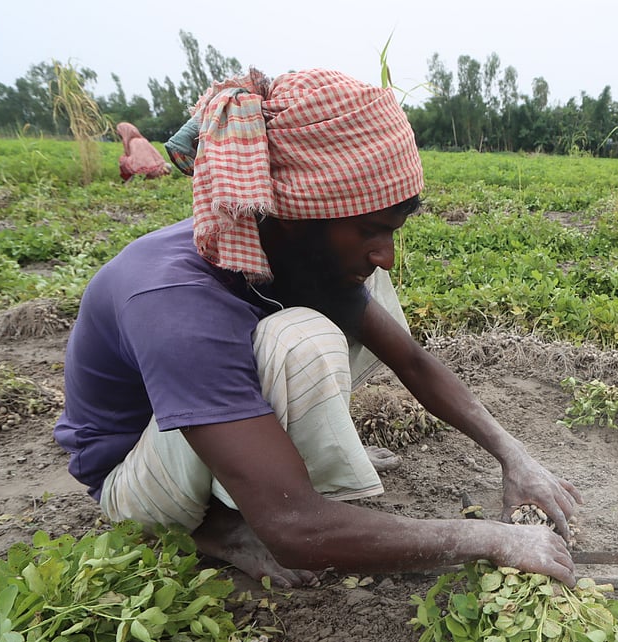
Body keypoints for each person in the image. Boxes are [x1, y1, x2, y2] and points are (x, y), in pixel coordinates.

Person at [55, 69, 580, 588]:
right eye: (371, 231)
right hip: (137, 483)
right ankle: (218, 528)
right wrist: (494, 540)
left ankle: (272, 471)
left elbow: (412, 362)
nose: (387, 254)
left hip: (207, 426)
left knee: (363, 288)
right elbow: (295, 529)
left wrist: (516, 458)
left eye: (391, 232)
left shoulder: (291, 249)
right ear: (291, 217)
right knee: (301, 340)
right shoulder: (177, 302)